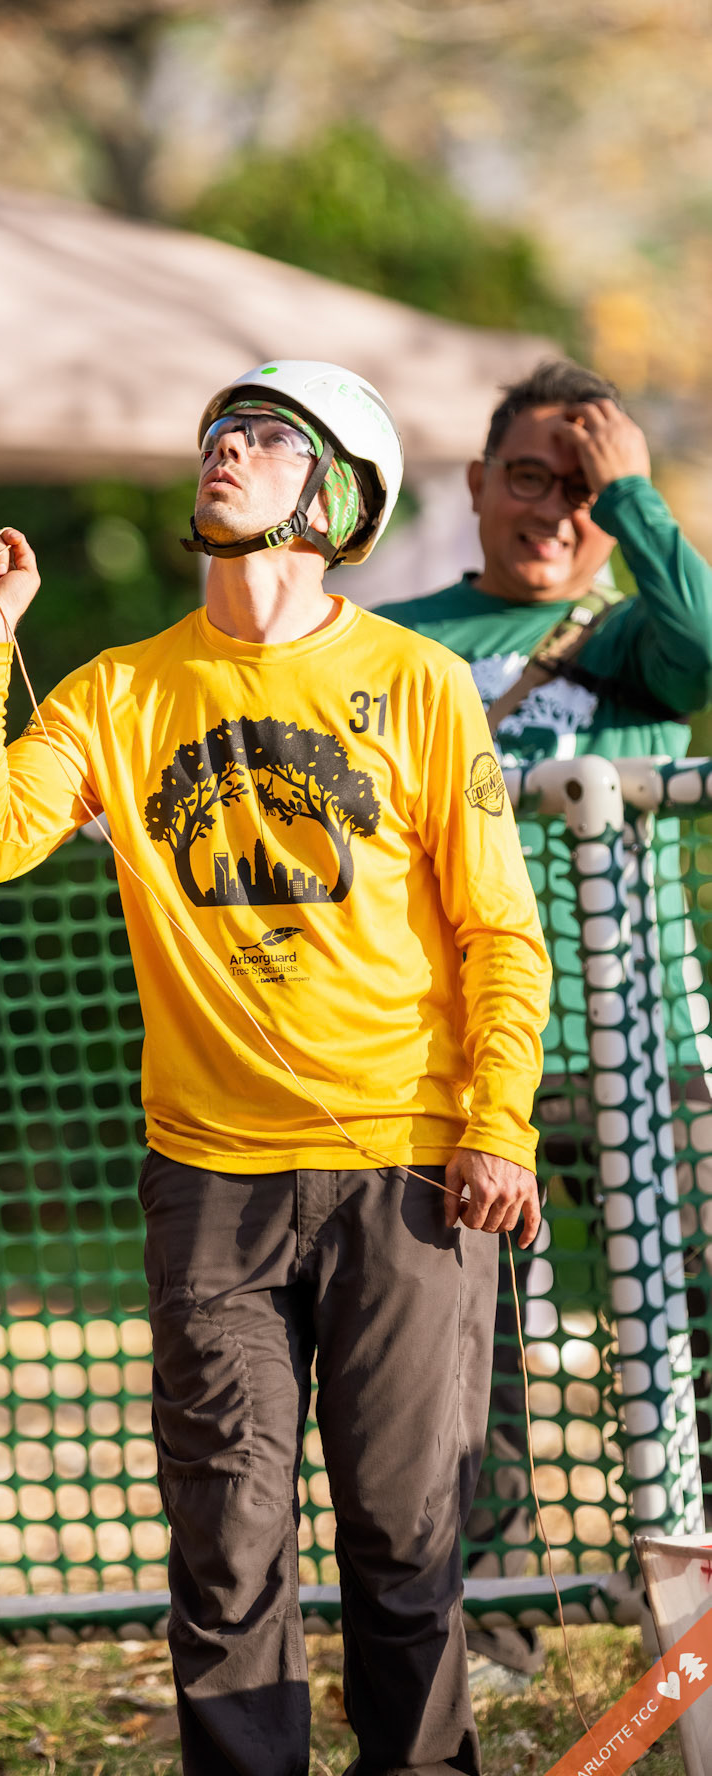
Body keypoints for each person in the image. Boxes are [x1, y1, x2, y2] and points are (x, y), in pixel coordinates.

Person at [0, 360, 551, 1776]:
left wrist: (494, 1127)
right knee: (229, 1539)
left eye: (265, 439)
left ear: (334, 497)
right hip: (209, 1176)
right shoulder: (123, 689)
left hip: (408, 1165)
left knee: (410, 1527)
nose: (225, 454)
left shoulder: (415, 683)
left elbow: (499, 932)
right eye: (219, 433)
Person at [378, 359, 712, 1688]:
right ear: (475, 486)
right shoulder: (402, 642)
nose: (557, 512)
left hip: (648, 1050)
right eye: (533, 478)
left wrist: (635, 490)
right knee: (478, 1363)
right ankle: (496, 1627)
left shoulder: (629, 638)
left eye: (583, 490)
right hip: (468, 1070)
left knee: (688, 1324)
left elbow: (708, 643)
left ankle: (689, 1588)